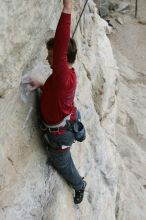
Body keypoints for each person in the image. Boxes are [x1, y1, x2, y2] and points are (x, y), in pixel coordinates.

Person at [32, 0, 86, 204]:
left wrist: (67, 9)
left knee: (61, 163)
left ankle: (80, 185)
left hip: (60, 135)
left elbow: (62, 44)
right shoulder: (65, 77)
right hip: (68, 117)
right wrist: (42, 86)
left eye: (51, 57)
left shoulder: (62, 75)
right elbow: (55, 95)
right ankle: (79, 131)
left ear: (61, 59)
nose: (48, 60)